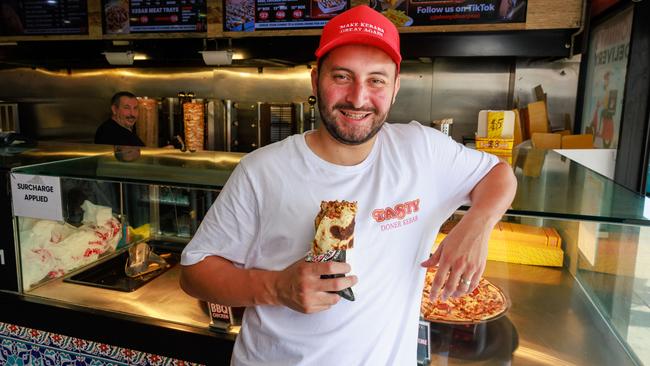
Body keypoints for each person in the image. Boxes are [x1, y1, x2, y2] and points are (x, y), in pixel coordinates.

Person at [179, 5, 517, 365]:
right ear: (315, 80)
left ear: (396, 87)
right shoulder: (262, 171)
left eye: (376, 80)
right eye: (342, 77)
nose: (358, 98)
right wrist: (276, 288)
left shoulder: (422, 151)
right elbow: (195, 274)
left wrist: (477, 226)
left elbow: (499, 174)